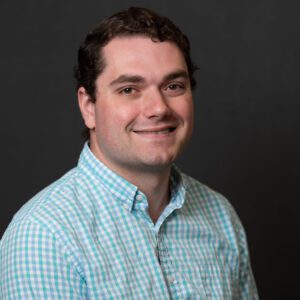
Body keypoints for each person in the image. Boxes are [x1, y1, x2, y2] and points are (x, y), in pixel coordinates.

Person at [0, 7, 259, 299]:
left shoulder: (220, 216)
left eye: (173, 86)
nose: (159, 108)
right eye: (129, 89)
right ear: (89, 107)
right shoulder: (45, 236)